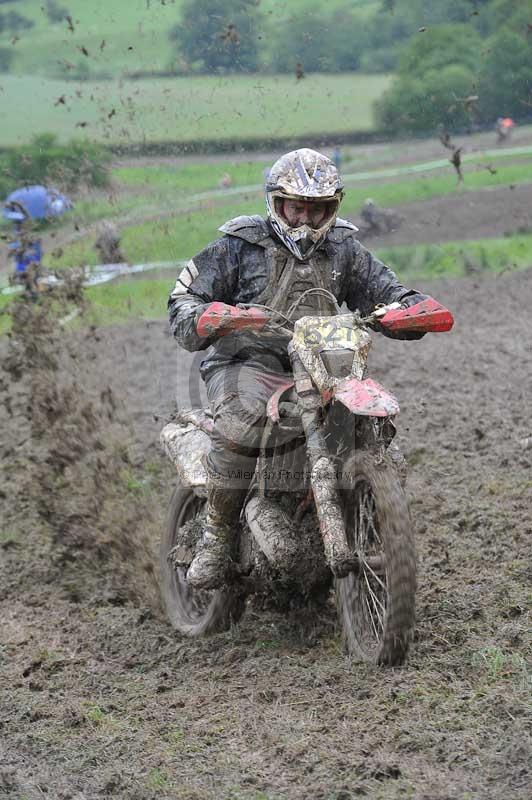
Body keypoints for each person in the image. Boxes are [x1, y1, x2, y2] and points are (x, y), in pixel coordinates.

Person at [168, 148, 433, 590]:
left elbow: (388, 290)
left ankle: (371, 506)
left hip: (325, 363)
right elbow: (182, 300)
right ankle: (216, 537)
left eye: (317, 209)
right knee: (245, 419)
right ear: (277, 204)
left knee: (369, 424)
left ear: (333, 207)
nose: (306, 221)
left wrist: (411, 309)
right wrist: (215, 316)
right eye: (297, 208)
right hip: (247, 361)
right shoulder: (239, 245)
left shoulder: (345, 248)